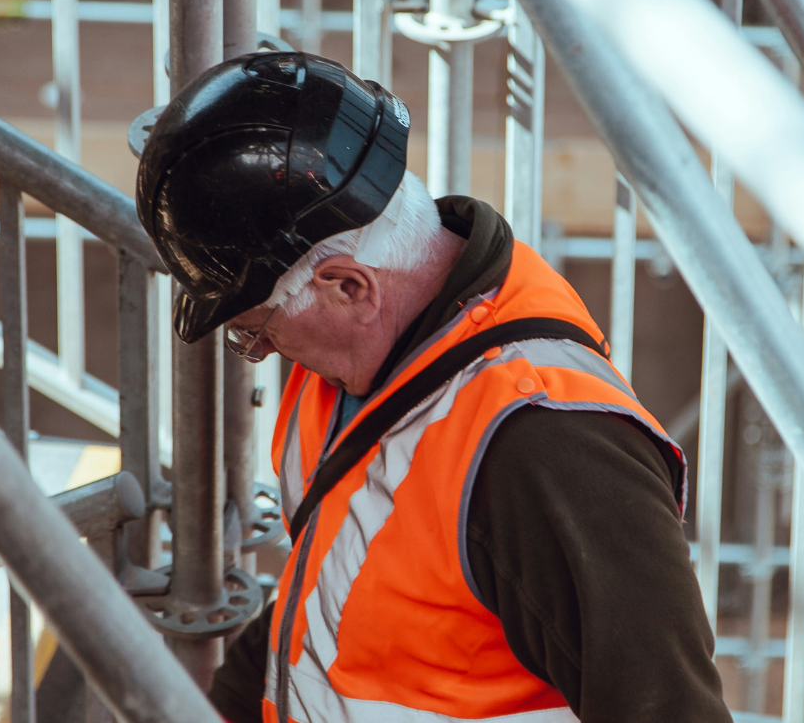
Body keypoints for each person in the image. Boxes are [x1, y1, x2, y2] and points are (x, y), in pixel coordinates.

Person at [135, 51, 732, 723]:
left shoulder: (547, 447)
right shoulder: (362, 361)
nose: (261, 350)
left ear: (349, 286)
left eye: (255, 328)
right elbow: (331, 582)